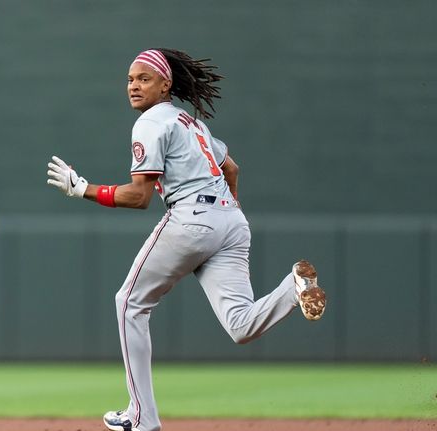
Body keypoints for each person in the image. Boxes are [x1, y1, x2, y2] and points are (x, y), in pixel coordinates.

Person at [46, 48, 326, 431]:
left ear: (166, 84)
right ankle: (292, 290)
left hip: (192, 219)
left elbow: (139, 197)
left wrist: (83, 189)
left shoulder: (150, 122)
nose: (134, 85)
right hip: (232, 222)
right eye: (130, 79)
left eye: (144, 78)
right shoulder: (193, 124)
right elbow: (232, 167)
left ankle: (142, 419)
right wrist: (229, 210)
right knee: (241, 326)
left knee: (129, 303)